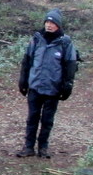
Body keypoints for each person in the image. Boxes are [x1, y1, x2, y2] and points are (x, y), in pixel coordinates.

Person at [16, 9, 78, 159]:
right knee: (32, 117)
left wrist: (67, 85)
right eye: (47, 22)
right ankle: (28, 146)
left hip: (53, 88)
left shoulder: (65, 42)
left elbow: (70, 65)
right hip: (35, 85)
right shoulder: (36, 39)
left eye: (53, 23)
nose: (49, 25)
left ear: (58, 25)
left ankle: (43, 147)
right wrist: (23, 80)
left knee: (47, 120)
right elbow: (27, 61)